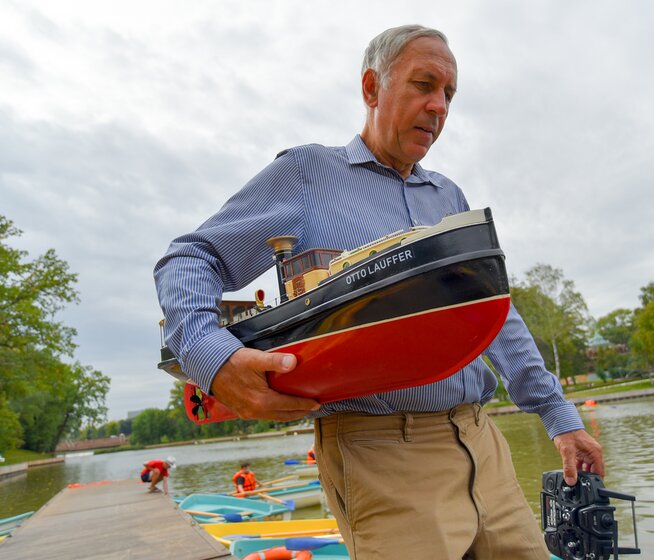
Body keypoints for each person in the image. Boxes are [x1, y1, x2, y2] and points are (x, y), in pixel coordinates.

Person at [154, 24, 604, 559]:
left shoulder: (448, 195)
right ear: (371, 88)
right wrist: (214, 359)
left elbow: (494, 318)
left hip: (483, 443)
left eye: (449, 95)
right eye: (423, 84)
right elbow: (189, 257)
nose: (439, 107)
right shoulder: (306, 174)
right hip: (381, 452)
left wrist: (560, 419)